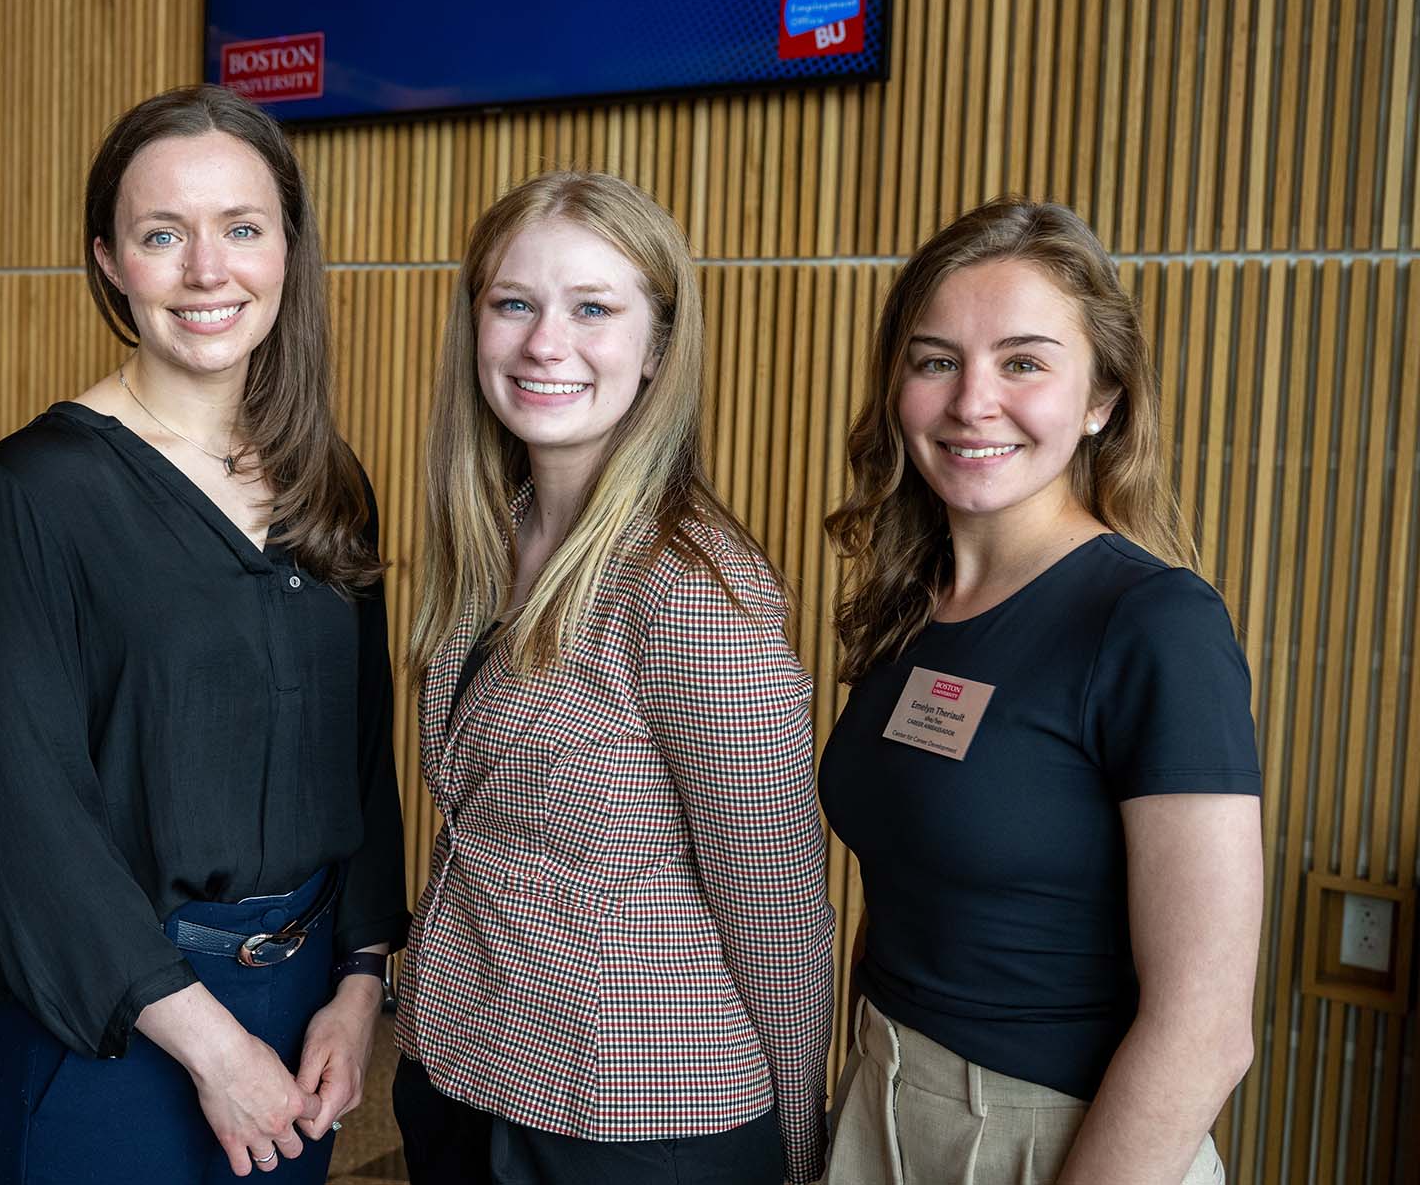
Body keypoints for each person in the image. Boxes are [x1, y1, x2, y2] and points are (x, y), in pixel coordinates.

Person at [0, 84, 408, 1184]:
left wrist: (356, 985)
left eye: (241, 229)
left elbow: (360, 757)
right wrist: (210, 1048)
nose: (208, 271)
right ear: (109, 260)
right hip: (109, 1028)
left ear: (287, 247)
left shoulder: (326, 480)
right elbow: (32, 820)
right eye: (163, 235)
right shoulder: (36, 491)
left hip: (302, 1021)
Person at [393, 171, 835, 1185]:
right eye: (514, 303)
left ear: (656, 350)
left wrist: (795, 1149)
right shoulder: (489, 541)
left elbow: (772, 901)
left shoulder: (687, 586)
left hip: (637, 1121)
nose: (545, 342)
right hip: (461, 1073)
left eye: (592, 307)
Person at [818, 196, 1262, 1184]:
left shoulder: (1154, 624)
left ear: (1101, 397)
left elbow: (1204, 1031)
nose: (972, 401)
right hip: (881, 1104)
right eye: (935, 361)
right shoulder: (909, 608)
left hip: (1061, 1143)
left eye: (1022, 362)